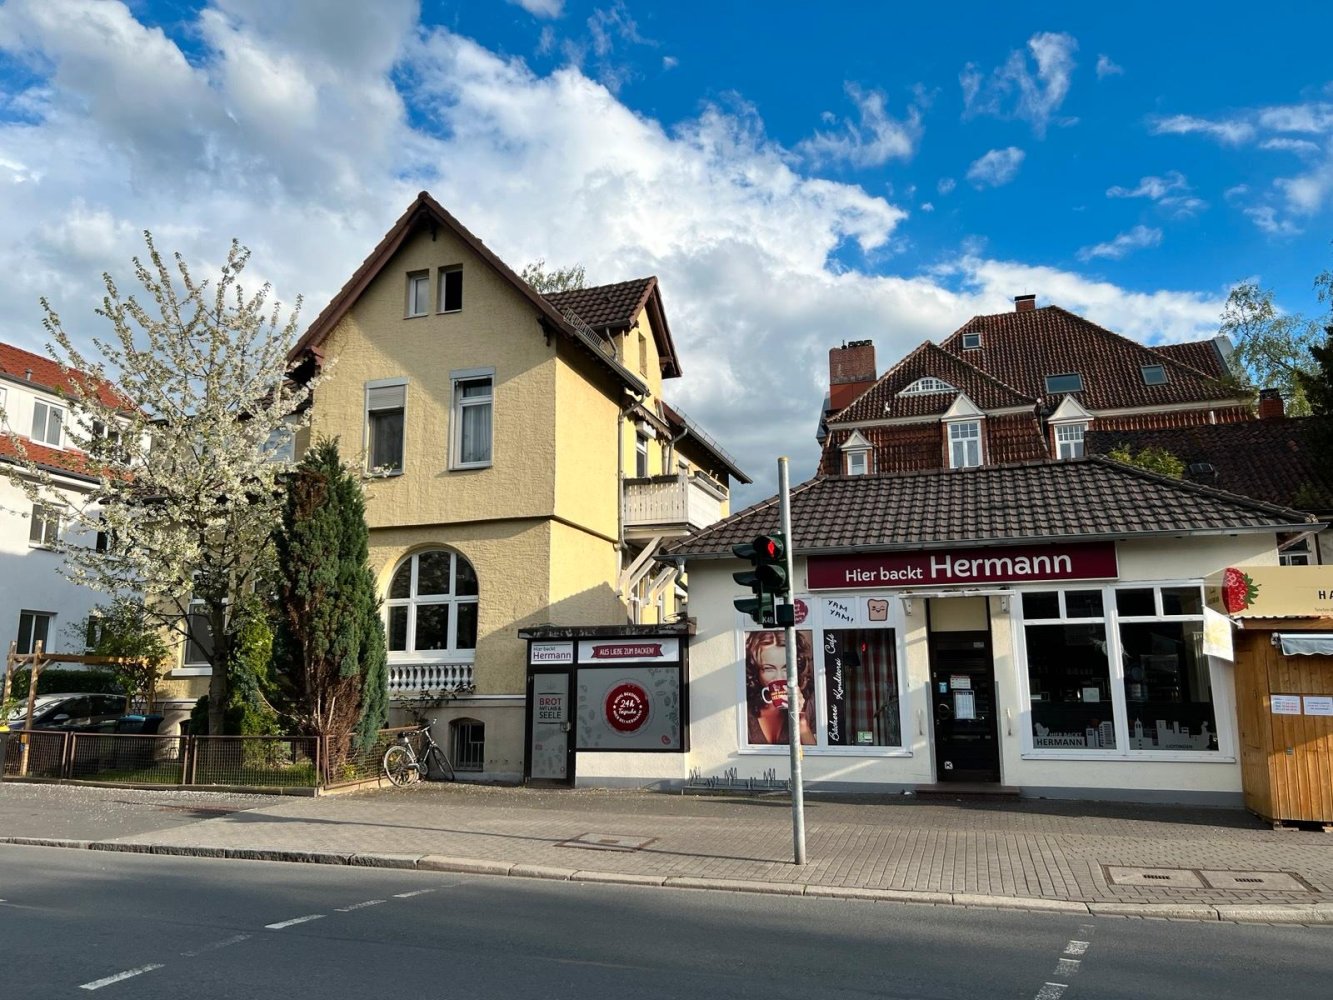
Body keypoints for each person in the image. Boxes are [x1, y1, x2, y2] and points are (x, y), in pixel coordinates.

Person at [744, 630, 815, 746]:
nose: (779, 677)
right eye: (768, 668)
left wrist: (801, 720)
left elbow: (818, 759)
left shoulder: (811, 701)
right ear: (755, 669)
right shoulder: (744, 706)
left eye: (786, 668)